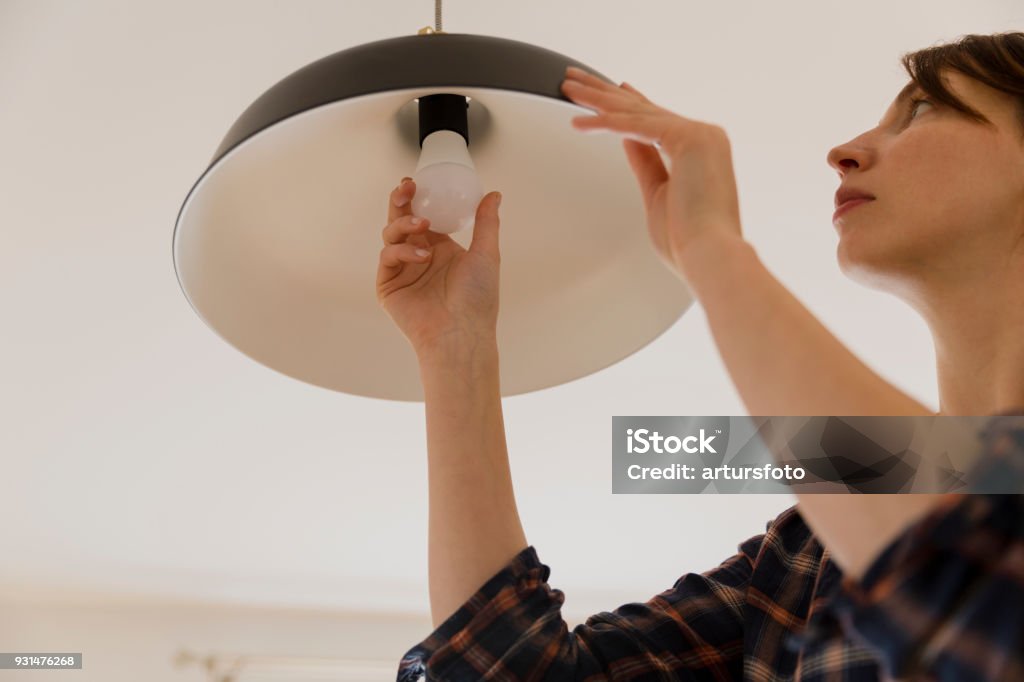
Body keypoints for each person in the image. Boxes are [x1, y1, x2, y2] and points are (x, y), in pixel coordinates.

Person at [377, 31, 1024, 681]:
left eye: (920, 110)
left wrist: (712, 250)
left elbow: (972, 596)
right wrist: (455, 347)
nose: (844, 152)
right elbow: (516, 673)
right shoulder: (809, 555)